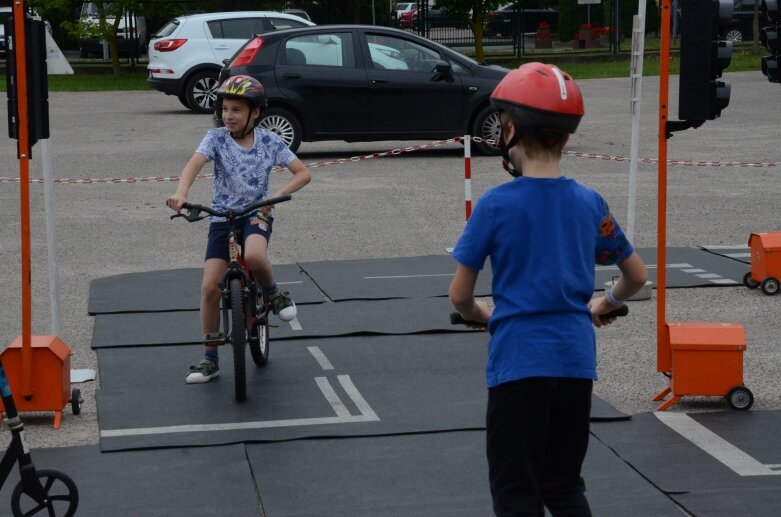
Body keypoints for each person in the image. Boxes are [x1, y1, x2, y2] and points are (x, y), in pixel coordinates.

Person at [448, 63, 648, 516]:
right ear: (567, 136)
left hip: (519, 362)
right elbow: (636, 275)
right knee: (562, 485)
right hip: (575, 362)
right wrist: (606, 302)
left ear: (511, 130)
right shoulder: (589, 202)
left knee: (516, 492)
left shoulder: (496, 204)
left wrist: (483, 315)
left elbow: (459, 296)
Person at [166, 75, 311, 384]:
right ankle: (210, 358)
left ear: (255, 113)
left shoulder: (270, 141)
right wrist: (182, 193)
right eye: (226, 109)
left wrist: (271, 199)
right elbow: (194, 164)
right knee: (209, 289)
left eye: (237, 110)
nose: (229, 116)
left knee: (256, 257)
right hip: (222, 217)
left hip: (255, 213)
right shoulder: (216, 138)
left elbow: (302, 173)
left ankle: (273, 294)